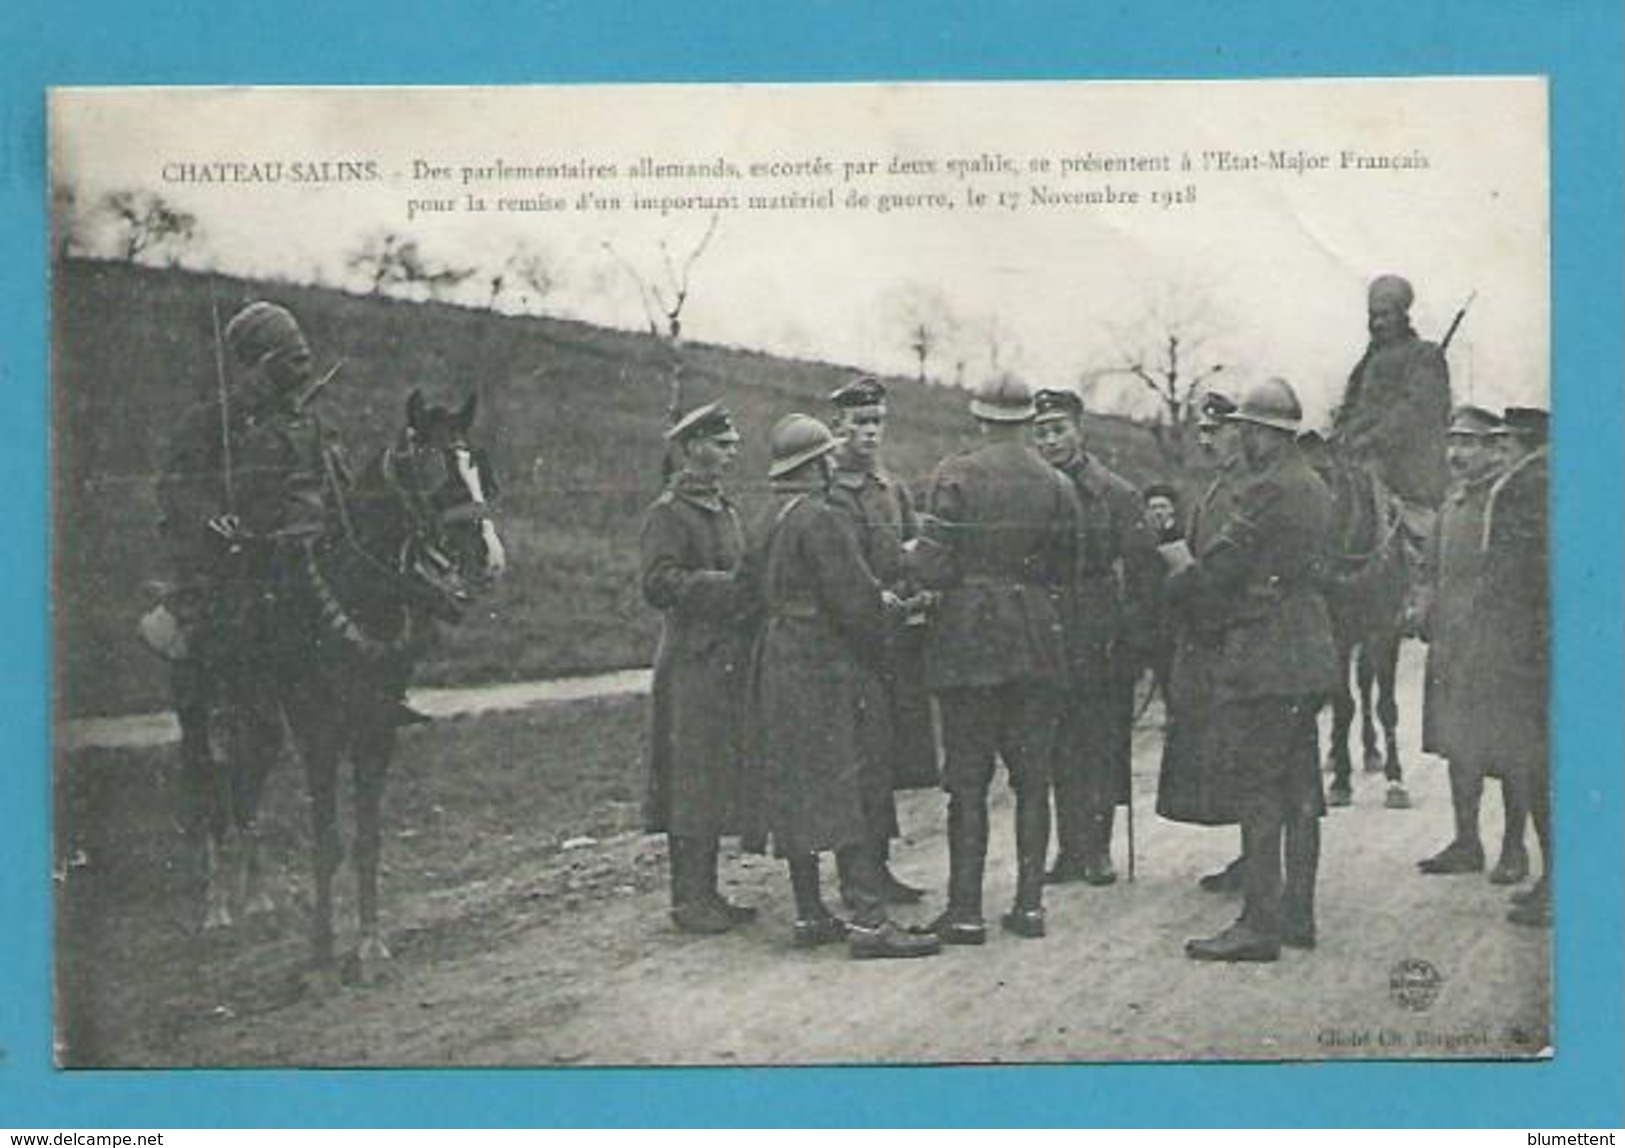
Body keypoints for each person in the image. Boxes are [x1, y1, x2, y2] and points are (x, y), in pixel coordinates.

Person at [746, 413, 942, 959]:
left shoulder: (766, 516)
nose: (835, 464)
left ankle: (810, 913)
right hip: (827, 666)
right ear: (813, 466)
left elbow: (747, 589)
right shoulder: (822, 518)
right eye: (827, 457)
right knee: (850, 782)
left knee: (796, 784)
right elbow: (854, 602)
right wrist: (892, 613)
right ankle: (869, 922)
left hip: (779, 660)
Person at [156, 300, 345, 850]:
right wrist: (211, 518)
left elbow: (324, 488)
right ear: (258, 362)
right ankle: (220, 822)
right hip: (235, 577)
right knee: (248, 724)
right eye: (290, 360)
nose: (302, 371)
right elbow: (175, 488)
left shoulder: (308, 421)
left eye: (305, 359)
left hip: (300, 570)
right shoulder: (211, 420)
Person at [1168, 378, 1340, 961]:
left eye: (1245, 427)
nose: (1238, 435)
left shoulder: (1265, 489)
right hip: (1309, 646)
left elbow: (1219, 569)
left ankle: (1258, 925)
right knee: (1300, 787)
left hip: (1266, 650)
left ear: (1266, 434)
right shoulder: (1313, 482)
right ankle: (1299, 915)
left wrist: (1176, 566)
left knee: (1258, 785)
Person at [913, 373, 1077, 942]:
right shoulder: (1056, 482)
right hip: (1035, 635)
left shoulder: (954, 474)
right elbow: (1068, 563)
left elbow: (931, 565)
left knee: (967, 782)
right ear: (1029, 420)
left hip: (968, 642)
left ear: (980, 418)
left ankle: (965, 911)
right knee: (1034, 780)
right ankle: (1030, 906)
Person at [1030, 387, 1161, 886]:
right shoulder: (1034, 490)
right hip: (1049, 629)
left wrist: (1135, 638)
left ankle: (1100, 848)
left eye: (1058, 429)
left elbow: (1144, 572)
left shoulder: (1116, 493)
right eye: (1040, 432)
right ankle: (1069, 849)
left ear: (1079, 431)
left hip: (1102, 632)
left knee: (1102, 741)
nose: (1049, 441)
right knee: (1058, 742)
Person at [640, 401, 757, 935]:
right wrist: (727, 587)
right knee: (690, 779)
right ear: (693, 450)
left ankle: (706, 892)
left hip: (721, 661)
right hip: (690, 663)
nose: (733, 452)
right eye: (722, 444)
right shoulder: (669, 512)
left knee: (710, 777)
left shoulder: (722, 508)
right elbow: (658, 583)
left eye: (733, 444)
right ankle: (688, 901)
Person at [824, 376, 935, 906]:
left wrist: (918, 587)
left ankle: (878, 867)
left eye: (876, 422)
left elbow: (912, 551)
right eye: (858, 423)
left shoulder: (893, 490)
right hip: (851, 642)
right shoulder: (830, 493)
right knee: (856, 761)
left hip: (894, 642)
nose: (869, 433)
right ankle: (856, 876)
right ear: (836, 428)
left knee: (886, 758)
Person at [1414, 406, 1528, 881]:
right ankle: (1467, 841)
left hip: (1495, 648)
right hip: (1451, 647)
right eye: (1453, 443)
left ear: (1492, 449)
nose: (1458, 453)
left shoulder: (1507, 502)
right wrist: (1422, 606)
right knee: (1458, 746)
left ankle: (1514, 849)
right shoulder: (1452, 504)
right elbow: (1428, 568)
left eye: (1470, 444)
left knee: (1510, 749)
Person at [1155, 391, 1247, 893]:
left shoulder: (1245, 491)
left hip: (1229, 640)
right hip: (1206, 638)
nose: (1207, 440)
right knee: (1224, 750)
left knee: (1243, 752)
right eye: (1203, 431)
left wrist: (1182, 572)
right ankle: (1252, 855)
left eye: (1218, 430)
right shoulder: (1215, 488)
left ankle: (1259, 858)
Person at [1475, 407, 1551, 927]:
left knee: (1539, 765)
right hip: (1536, 646)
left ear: (1523, 444)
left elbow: (1520, 576)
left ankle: (1559, 886)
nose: (1497, 451)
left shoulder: (1529, 485)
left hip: (1529, 651)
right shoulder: (1540, 479)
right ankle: (1553, 879)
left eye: (1503, 443)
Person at [1331, 274, 1453, 573]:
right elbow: (1350, 406)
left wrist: (1372, 439)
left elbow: (1415, 412)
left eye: (1385, 314)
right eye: (1373, 316)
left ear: (1403, 315)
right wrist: (1341, 434)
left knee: (1419, 533)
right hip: (1358, 461)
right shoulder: (1366, 362)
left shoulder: (1425, 355)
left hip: (1405, 471)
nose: (1378, 323)